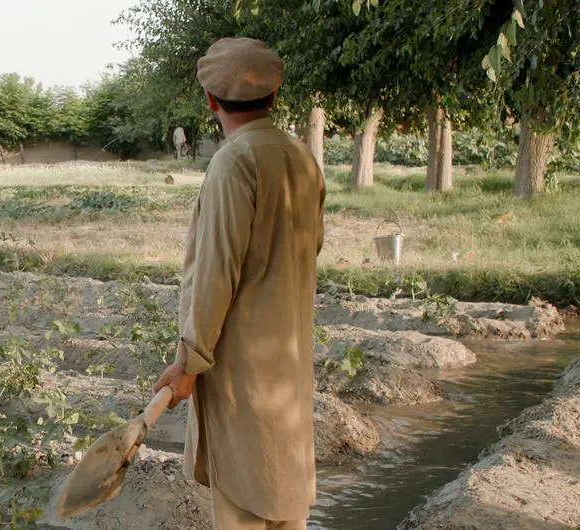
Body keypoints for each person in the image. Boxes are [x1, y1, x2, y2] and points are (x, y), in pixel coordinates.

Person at [152, 37, 326, 530]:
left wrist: (189, 361)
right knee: (283, 499)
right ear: (273, 96)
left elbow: (215, 274)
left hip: (243, 368)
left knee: (245, 504)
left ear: (210, 101)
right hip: (287, 360)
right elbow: (309, 249)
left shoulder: (234, 161)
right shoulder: (300, 157)